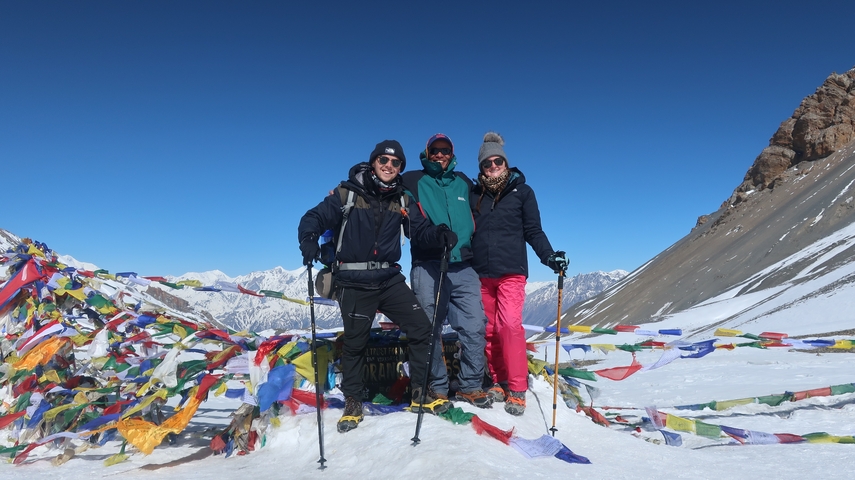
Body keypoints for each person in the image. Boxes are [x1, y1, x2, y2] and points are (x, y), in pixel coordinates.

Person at [297, 140, 458, 433]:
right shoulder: (348, 193)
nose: (389, 166)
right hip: (354, 280)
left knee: (422, 329)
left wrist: (440, 235)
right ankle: (353, 402)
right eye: (384, 160)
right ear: (373, 162)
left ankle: (419, 394)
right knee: (356, 342)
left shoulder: (402, 199)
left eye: (396, 163)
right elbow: (314, 217)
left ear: (400, 169)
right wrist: (308, 238)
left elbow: (419, 230)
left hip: (388, 279)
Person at [470, 132, 568, 416]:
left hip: (512, 271)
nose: (493, 167)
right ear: (481, 168)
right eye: (487, 164)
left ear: (506, 162)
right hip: (481, 273)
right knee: (488, 330)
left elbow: (533, 231)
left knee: (509, 326)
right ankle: (499, 380)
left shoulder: (522, 192)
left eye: (497, 161)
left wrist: (549, 256)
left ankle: (517, 386)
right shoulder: (475, 193)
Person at [401, 133, 493, 408]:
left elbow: (488, 202)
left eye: (445, 151)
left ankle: (470, 386)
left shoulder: (464, 182)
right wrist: (435, 236)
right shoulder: (411, 181)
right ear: (427, 153)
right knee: (429, 328)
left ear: (452, 154)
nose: (440, 155)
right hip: (428, 264)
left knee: (475, 326)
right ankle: (437, 387)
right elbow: (409, 221)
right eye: (435, 150)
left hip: (463, 265)